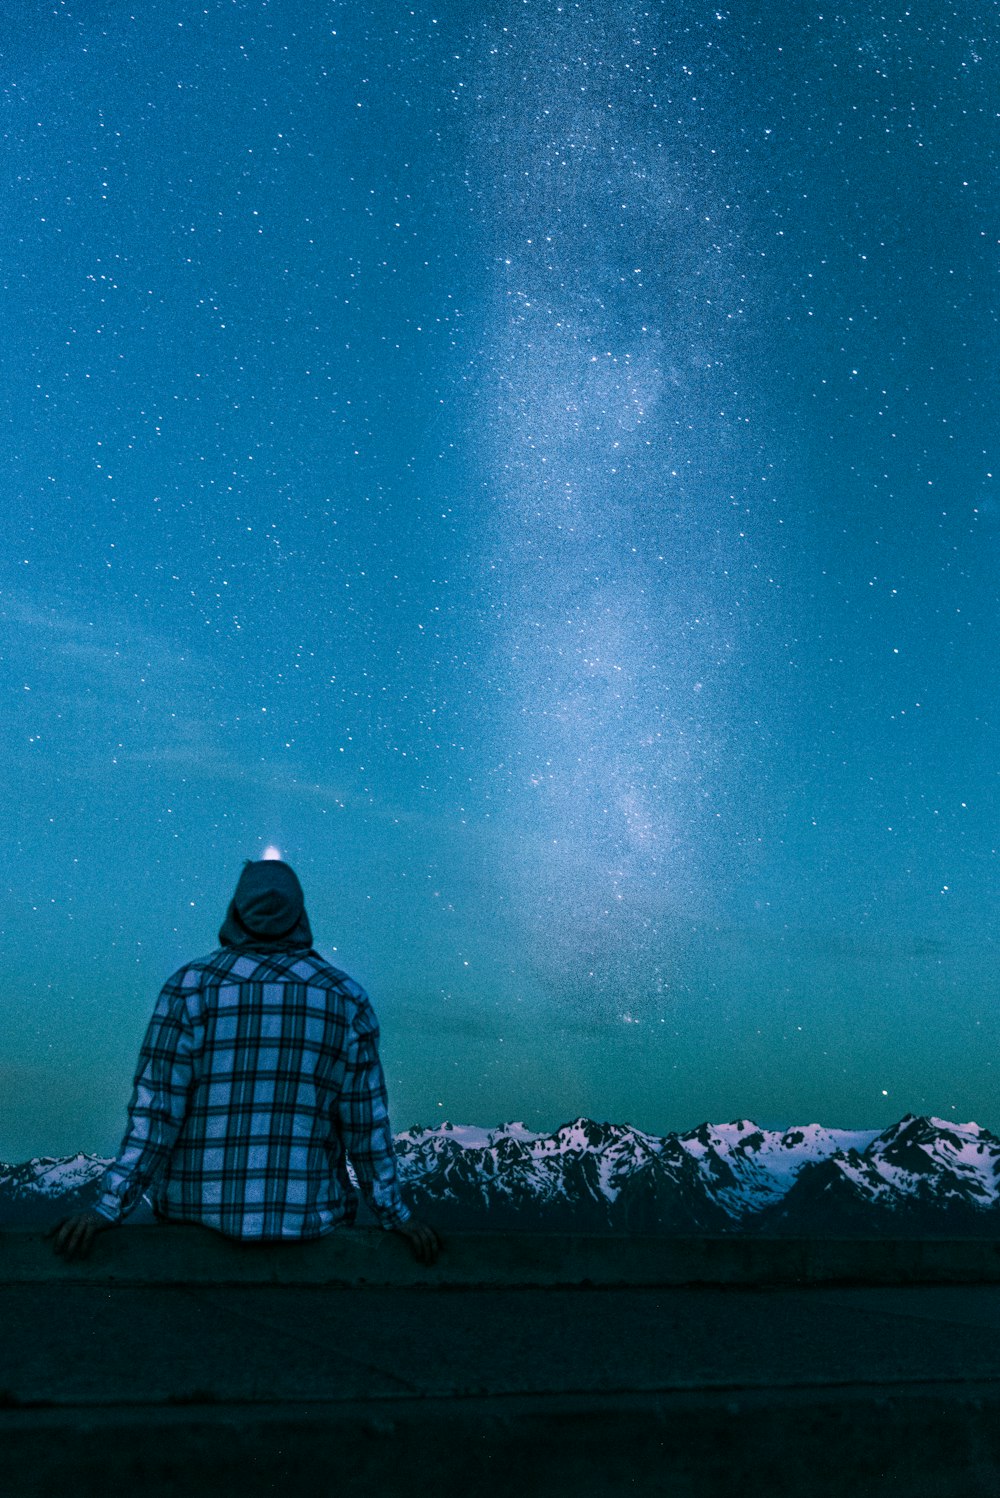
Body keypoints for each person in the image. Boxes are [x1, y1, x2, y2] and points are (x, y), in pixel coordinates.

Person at [48, 856, 441, 1266]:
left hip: (193, 1231)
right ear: (300, 914)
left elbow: (157, 1111)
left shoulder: (189, 989)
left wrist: (110, 1206)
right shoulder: (345, 999)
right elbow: (365, 1124)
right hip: (311, 1229)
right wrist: (395, 1214)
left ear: (234, 912)